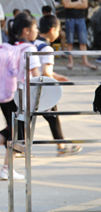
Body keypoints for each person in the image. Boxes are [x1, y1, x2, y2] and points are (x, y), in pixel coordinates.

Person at [0, 12, 41, 180]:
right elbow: (37, 76)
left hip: (6, 94)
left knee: (12, 128)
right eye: (35, 28)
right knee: (19, 132)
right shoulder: (29, 48)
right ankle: (6, 168)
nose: (37, 31)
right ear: (26, 31)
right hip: (20, 97)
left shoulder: (10, 46)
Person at [34, 14, 82, 156]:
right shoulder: (47, 49)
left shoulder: (34, 43)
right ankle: (61, 146)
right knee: (53, 116)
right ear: (52, 30)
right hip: (41, 90)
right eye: (59, 29)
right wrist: (56, 81)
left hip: (28, 87)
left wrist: (57, 76)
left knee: (26, 119)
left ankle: (19, 146)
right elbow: (46, 72)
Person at [61, 0, 96, 70]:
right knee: (70, 41)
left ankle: (85, 61)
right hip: (70, 19)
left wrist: (72, 3)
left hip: (81, 19)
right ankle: (70, 62)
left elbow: (85, 5)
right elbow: (66, 5)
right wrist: (78, 3)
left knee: (83, 41)